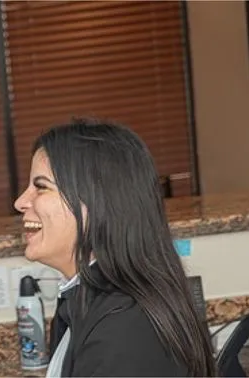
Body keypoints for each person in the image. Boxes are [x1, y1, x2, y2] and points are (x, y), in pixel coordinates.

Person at [12, 119, 215, 376]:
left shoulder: (124, 330)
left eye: (40, 187)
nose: (20, 202)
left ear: (96, 203)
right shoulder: (87, 300)